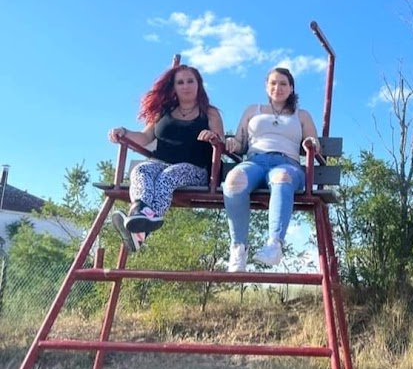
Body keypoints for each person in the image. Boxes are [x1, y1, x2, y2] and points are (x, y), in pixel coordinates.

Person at [108, 64, 224, 253]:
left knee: (169, 175)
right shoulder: (163, 112)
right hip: (160, 163)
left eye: (190, 81)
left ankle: (140, 227)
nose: (185, 86)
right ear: (174, 87)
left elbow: (221, 142)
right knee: (141, 170)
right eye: (180, 82)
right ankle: (139, 216)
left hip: (195, 170)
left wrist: (212, 137)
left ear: (198, 84)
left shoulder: (209, 112)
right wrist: (124, 132)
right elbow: (145, 138)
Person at [223, 67, 320, 272]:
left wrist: (310, 142)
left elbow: (314, 142)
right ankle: (238, 248)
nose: (278, 87)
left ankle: (274, 245)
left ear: (291, 88)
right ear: (266, 87)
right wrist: (232, 143)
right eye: (273, 83)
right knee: (233, 179)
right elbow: (240, 143)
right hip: (255, 161)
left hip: (287, 163)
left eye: (283, 83)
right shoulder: (253, 110)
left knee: (281, 177)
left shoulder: (301, 115)